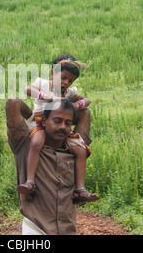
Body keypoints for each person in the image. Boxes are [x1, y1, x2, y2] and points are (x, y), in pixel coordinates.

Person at [17, 55, 99, 204]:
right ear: (52, 73)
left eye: (70, 80)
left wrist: (76, 105)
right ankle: (30, 181)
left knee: (80, 149)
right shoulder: (43, 85)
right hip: (41, 124)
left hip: (62, 128)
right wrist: (46, 97)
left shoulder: (69, 93)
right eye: (63, 77)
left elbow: (87, 100)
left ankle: (80, 188)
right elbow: (27, 89)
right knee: (36, 143)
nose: (66, 83)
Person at [6, 97, 88, 235]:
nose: (63, 126)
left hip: (68, 231)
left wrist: (66, 104)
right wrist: (35, 116)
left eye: (68, 123)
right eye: (57, 121)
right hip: (36, 228)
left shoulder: (75, 149)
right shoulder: (25, 145)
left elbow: (85, 113)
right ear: (44, 121)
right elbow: (12, 103)